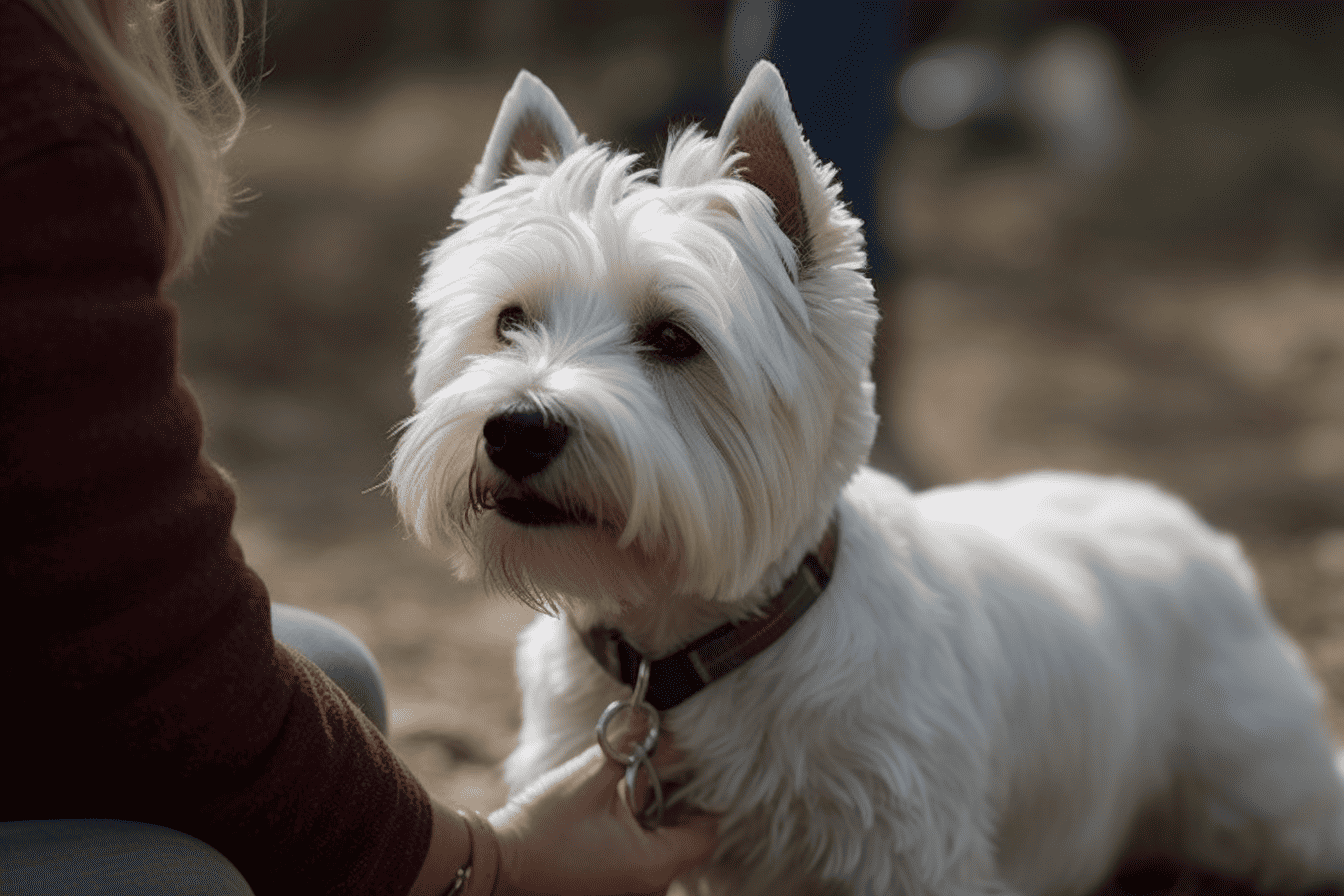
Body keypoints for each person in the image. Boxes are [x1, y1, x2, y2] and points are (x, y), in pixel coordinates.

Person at [0, 0, 718, 893]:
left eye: (668, 344)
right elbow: (142, 633)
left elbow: (94, 583)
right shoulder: (35, 111)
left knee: (333, 672)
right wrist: (488, 869)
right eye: (513, 323)